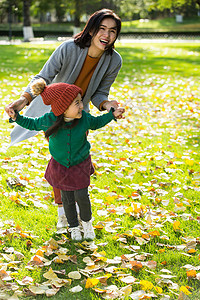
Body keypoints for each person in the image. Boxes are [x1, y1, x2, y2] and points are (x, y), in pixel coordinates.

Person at [5, 8, 123, 229]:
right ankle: (63, 212)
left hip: (81, 114)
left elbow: (100, 93)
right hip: (57, 115)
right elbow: (43, 76)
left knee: (77, 161)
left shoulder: (113, 60)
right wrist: (24, 100)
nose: (106, 35)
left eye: (112, 31)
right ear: (91, 30)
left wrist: (107, 105)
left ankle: (76, 212)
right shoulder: (68, 48)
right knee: (61, 163)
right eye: (101, 29)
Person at [7, 79, 125, 241]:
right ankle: (74, 227)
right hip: (61, 166)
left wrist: (111, 115)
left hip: (80, 165)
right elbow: (32, 123)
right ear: (62, 107)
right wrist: (16, 117)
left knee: (82, 196)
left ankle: (87, 223)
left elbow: (97, 123)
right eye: (77, 103)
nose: (82, 106)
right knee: (67, 199)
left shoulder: (84, 118)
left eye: (80, 101)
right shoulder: (49, 120)